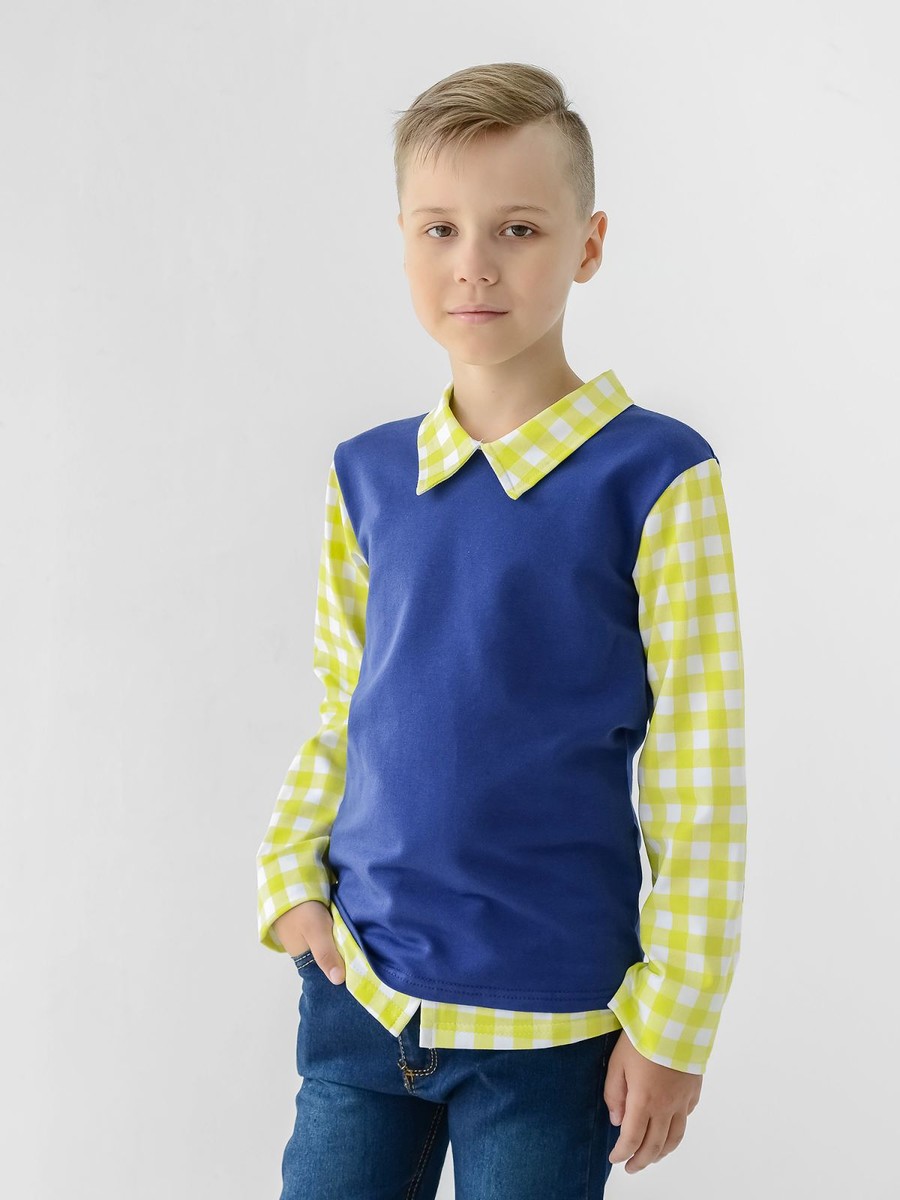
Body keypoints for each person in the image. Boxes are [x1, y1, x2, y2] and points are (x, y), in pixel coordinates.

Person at [256, 60, 747, 1200]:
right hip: (360, 997)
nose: (472, 264)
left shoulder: (657, 476)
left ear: (588, 244)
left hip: (552, 1029)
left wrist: (674, 1024)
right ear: (403, 241)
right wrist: (289, 879)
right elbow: (345, 705)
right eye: (440, 228)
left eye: (517, 229)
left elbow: (699, 765)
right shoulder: (366, 475)